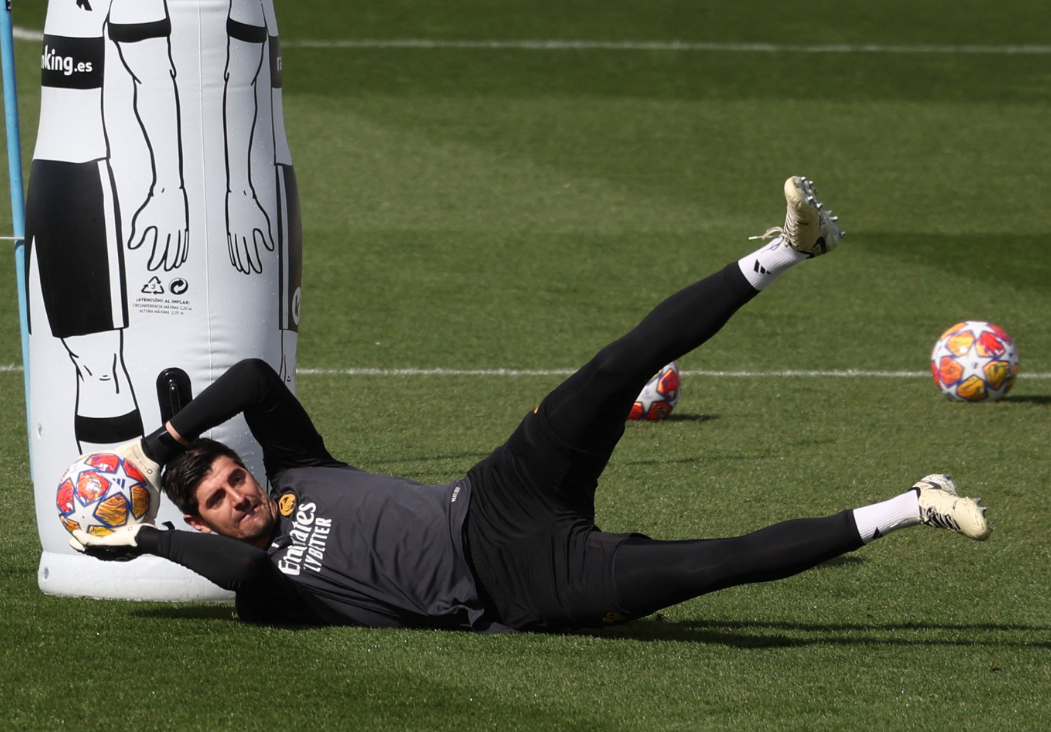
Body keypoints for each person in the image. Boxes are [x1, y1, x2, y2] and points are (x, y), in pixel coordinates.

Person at [71, 177, 990, 633]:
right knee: (713, 567)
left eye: (235, 478)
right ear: (209, 525)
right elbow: (234, 577)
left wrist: (170, 436)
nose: (240, 496)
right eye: (222, 503)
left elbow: (257, 382)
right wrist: (144, 532)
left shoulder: (299, 471)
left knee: (615, 367)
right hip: (517, 588)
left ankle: (789, 250)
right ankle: (912, 502)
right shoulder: (276, 593)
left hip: (495, 496)